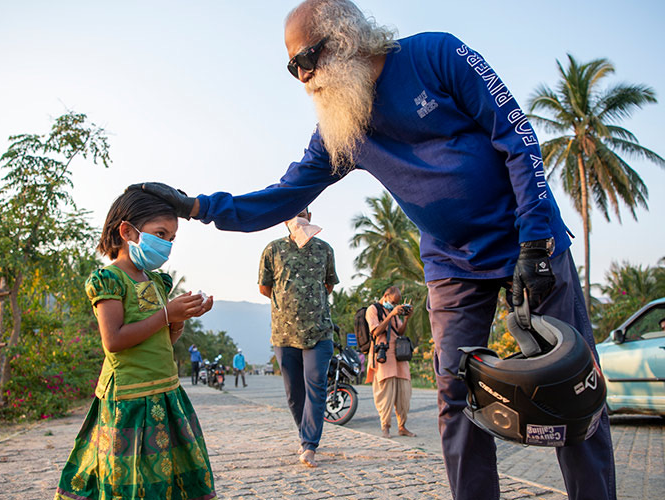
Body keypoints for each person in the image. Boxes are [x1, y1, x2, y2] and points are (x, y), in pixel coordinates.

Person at [138, 1, 616, 498]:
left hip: (529, 241)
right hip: (452, 264)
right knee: (456, 397)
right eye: (292, 69)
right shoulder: (341, 129)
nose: (302, 78)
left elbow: (516, 135)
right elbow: (283, 196)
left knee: (574, 390)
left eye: (304, 61)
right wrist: (197, 206)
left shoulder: (438, 53)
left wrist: (535, 239)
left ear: (343, 41)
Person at [53, 186, 216, 500]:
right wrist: (167, 313)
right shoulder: (110, 279)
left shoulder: (156, 282)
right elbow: (113, 340)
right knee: (129, 478)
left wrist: (179, 317)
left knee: (168, 472)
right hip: (129, 398)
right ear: (127, 231)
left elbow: (164, 338)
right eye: (160, 233)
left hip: (165, 391)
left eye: (171, 238)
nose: (167, 244)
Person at [258, 207, 338, 468]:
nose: (299, 216)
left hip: (320, 331)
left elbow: (328, 285)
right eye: (293, 211)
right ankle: (305, 434)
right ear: (285, 219)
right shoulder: (272, 250)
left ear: (311, 216)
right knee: (294, 393)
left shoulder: (325, 249)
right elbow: (265, 287)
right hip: (284, 333)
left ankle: (309, 445)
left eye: (303, 211)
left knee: (316, 387)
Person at [366, 286, 415, 438]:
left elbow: (400, 332)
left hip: (399, 356)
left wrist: (406, 318)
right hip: (383, 355)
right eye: (393, 302)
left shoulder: (394, 312)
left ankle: (402, 426)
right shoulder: (373, 309)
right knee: (385, 394)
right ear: (386, 295)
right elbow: (375, 331)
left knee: (404, 392)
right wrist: (391, 314)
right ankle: (385, 427)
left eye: (396, 304)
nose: (393, 305)